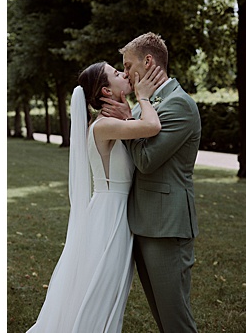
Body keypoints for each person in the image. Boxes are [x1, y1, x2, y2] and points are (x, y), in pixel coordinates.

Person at [28, 61, 167, 332]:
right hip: (109, 219)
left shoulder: (110, 122)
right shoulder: (103, 126)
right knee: (102, 292)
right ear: (105, 90)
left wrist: (128, 112)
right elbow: (152, 126)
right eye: (116, 73)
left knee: (108, 291)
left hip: (113, 213)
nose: (124, 73)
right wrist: (143, 97)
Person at [102, 32, 201, 332]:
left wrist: (129, 121)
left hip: (167, 227)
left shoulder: (179, 105)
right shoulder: (147, 105)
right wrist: (132, 116)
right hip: (143, 223)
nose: (127, 74)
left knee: (176, 320)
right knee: (162, 318)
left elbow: (145, 160)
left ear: (148, 62)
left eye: (128, 65)